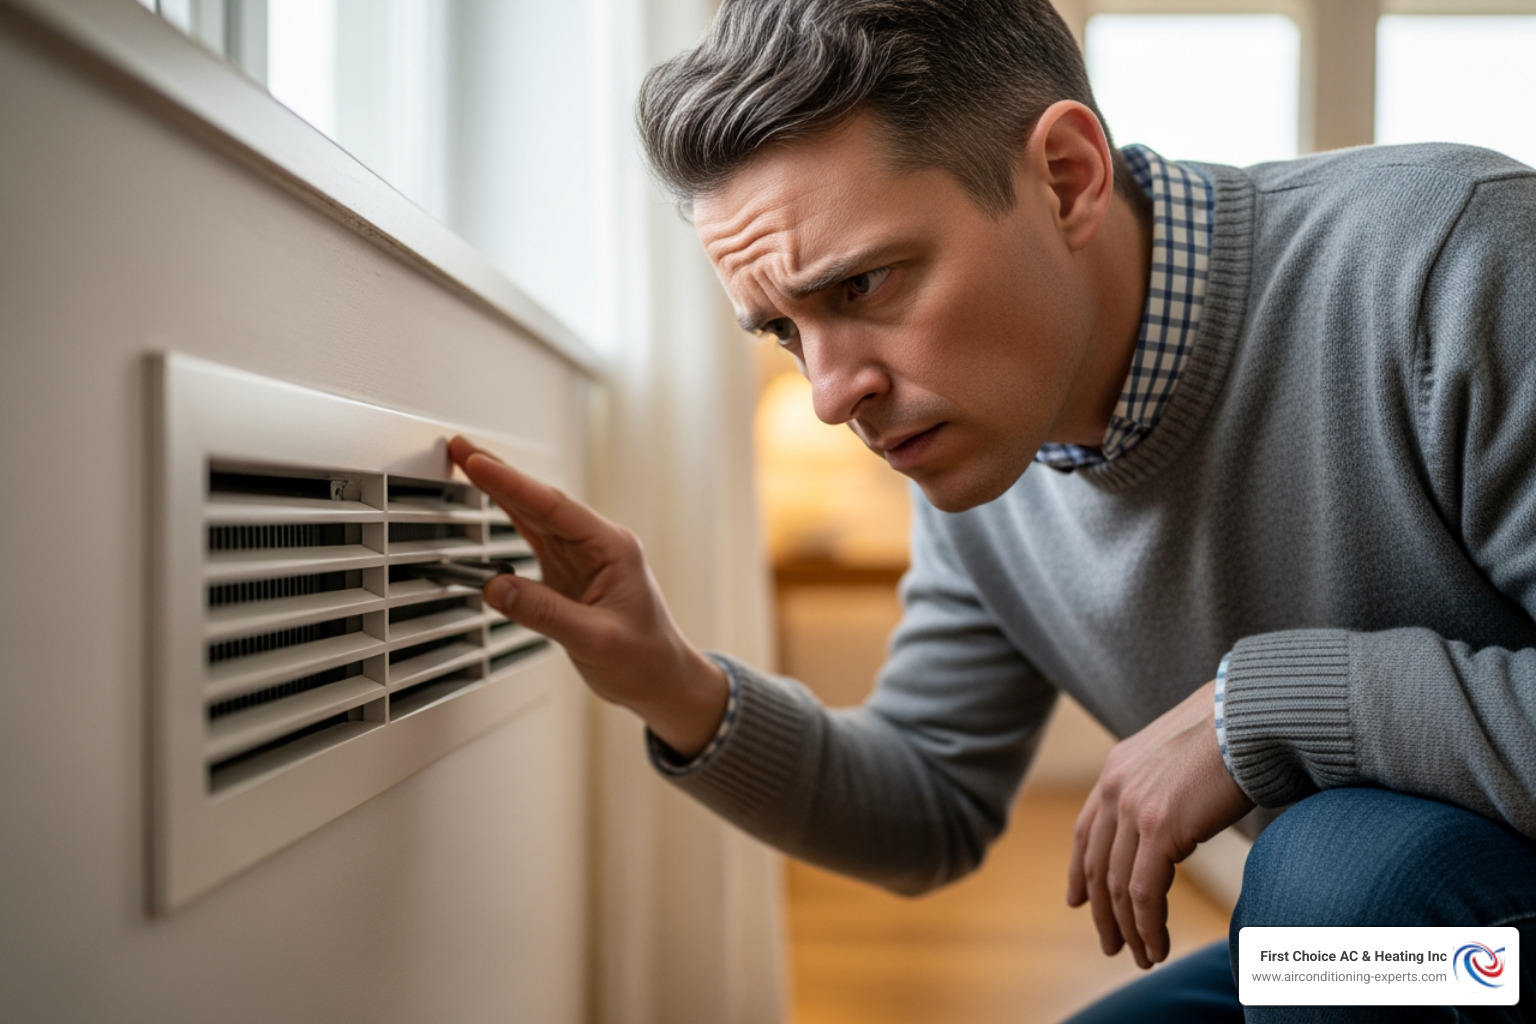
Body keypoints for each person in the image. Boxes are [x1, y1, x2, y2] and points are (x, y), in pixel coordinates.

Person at [449, 0, 1536, 1018]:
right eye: (783, 330)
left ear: (1066, 178)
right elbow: (929, 799)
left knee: (1339, 878)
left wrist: (1265, 703)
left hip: (1405, 924)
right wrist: (672, 681)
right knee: (1327, 927)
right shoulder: (986, 450)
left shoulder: (1455, 259)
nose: (829, 395)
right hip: (1388, 958)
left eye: (863, 284)